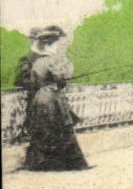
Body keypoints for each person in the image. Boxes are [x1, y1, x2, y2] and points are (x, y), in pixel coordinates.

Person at [16, 25, 91, 171]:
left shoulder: (38, 62)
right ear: (49, 45)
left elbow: (34, 81)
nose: (58, 47)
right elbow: (61, 78)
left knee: (45, 130)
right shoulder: (50, 61)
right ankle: (69, 164)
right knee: (62, 129)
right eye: (56, 44)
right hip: (52, 97)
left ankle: (41, 164)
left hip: (40, 98)